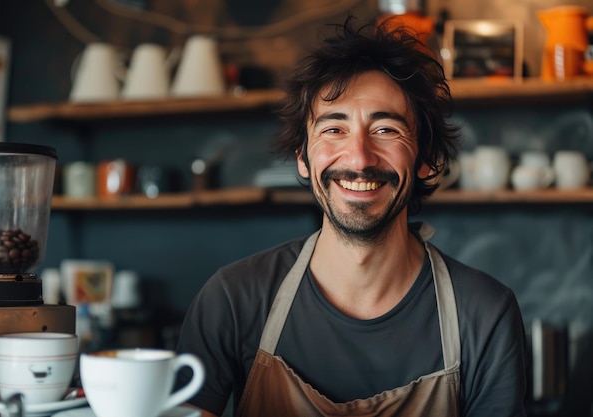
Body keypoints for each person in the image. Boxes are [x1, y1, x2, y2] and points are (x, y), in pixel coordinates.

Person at [176, 15, 527, 417]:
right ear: (303, 159)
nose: (359, 158)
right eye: (333, 130)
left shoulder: (484, 313)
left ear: (427, 159)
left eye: (385, 130)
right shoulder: (232, 299)